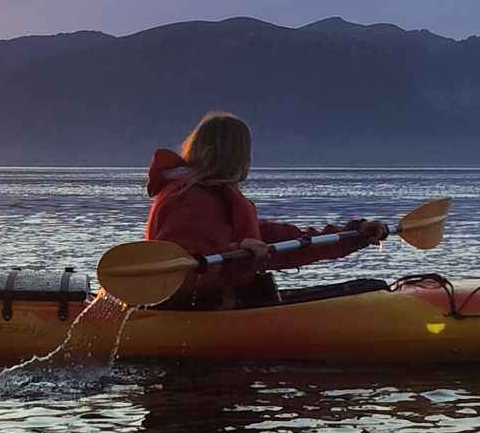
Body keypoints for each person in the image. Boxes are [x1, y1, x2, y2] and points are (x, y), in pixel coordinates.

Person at [146, 111, 388, 309]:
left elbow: (282, 242)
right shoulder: (192, 200)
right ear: (237, 156)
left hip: (220, 304)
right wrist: (239, 254)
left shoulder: (212, 198)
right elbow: (188, 272)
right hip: (198, 311)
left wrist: (354, 235)